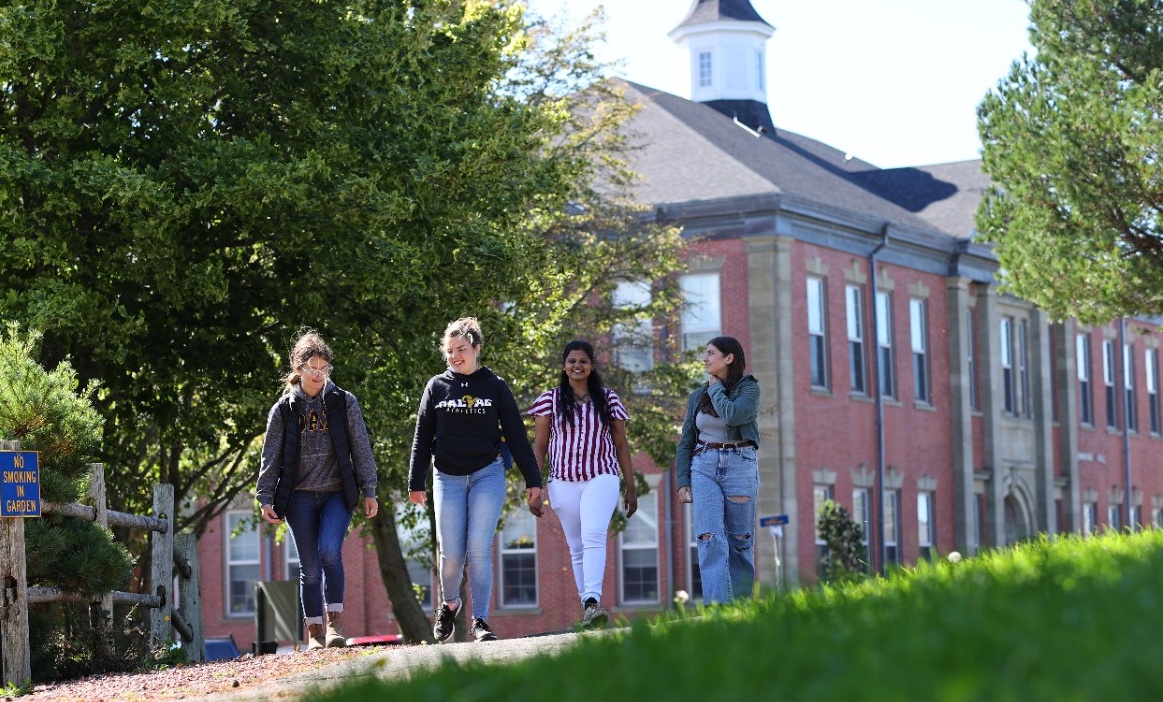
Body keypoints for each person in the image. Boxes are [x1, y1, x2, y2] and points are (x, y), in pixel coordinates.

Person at [408, 317, 543, 643]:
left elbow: (516, 434)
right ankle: (450, 602)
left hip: (488, 473)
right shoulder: (436, 386)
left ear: (476, 349)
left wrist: (533, 479)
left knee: (479, 548)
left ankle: (480, 620)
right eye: (450, 351)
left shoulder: (495, 386)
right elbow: (422, 436)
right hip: (447, 477)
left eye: (462, 349)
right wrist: (415, 481)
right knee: (452, 553)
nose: (455, 356)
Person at [256, 331, 379, 650]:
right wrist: (264, 496)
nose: (319, 374)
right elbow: (271, 453)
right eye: (313, 367)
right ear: (298, 369)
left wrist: (369, 488)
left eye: (324, 367)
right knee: (310, 567)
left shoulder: (343, 402)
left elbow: (361, 447)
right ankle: (315, 632)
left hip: (337, 493)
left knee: (329, 551)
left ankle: (335, 624)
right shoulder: (283, 410)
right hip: (298, 497)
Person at [530, 340, 637, 628]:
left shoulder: (608, 399)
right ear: (564, 366)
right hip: (562, 481)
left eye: (583, 361)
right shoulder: (549, 400)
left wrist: (631, 485)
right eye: (572, 361)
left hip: (601, 475)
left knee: (593, 535)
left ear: (592, 366)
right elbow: (539, 446)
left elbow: (621, 444)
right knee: (576, 547)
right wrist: (534, 486)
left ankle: (592, 599)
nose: (577, 365)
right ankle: (588, 610)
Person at [674, 336, 760, 606]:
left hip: (740, 465)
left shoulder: (749, 389)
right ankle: (717, 608)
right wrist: (682, 479)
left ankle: (743, 607)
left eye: (711, 353)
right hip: (704, 465)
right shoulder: (697, 396)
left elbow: (733, 415)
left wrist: (715, 389)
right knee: (709, 537)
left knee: (740, 540)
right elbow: (687, 439)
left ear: (729, 358)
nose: (706, 358)